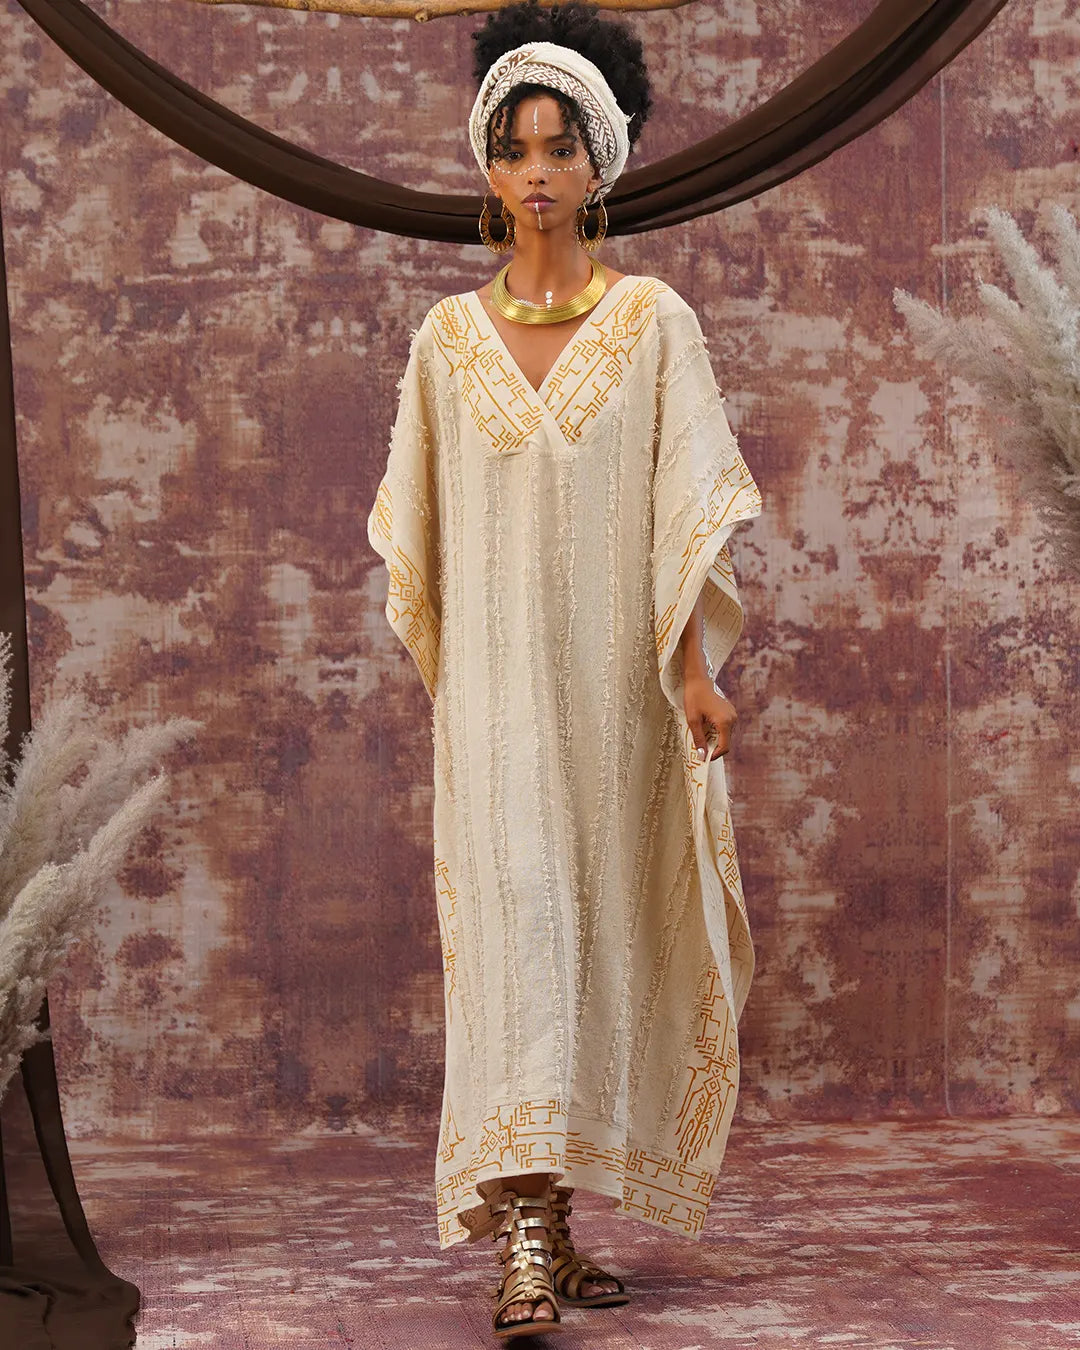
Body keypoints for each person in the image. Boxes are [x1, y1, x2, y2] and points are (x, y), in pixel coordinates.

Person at [366, 0, 763, 1338]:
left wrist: (695, 675)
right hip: (494, 705)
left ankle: (562, 1223)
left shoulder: (654, 327)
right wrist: (461, 684)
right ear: (487, 167)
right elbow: (416, 545)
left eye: (560, 147)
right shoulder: (444, 344)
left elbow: (685, 516)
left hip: (618, 702)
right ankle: (523, 1239)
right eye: (512, 147)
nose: (534, 171)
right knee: (517, 932)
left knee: (598, 934)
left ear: (602, 163)